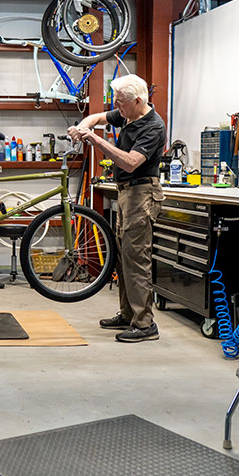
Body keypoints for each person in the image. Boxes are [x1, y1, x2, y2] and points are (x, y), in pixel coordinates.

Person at [68, 74, 165, 342]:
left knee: (137, 259)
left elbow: (131, 162)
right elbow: (98, 118)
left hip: (141, 193)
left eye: (120, 102)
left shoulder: (153, 126)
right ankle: (128, 314)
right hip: (126, 193)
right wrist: (82, 126)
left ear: (137, 100)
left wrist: (97, 141)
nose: (116, 106)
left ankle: (145, 324)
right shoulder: (128, 115)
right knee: (123, 256)